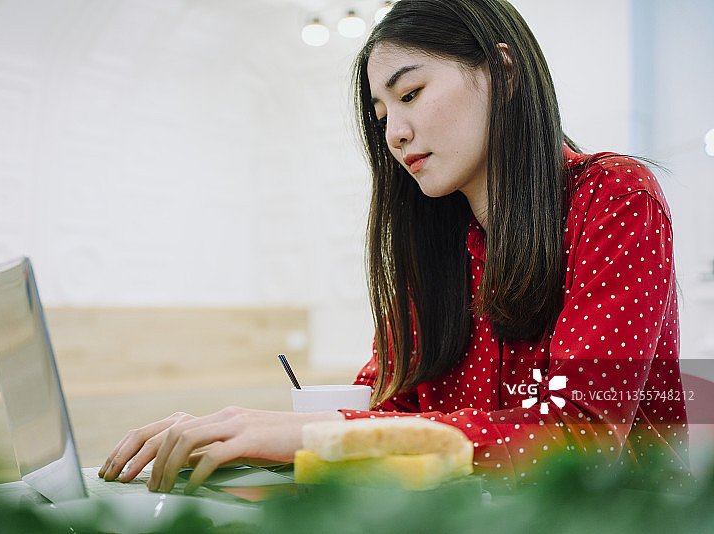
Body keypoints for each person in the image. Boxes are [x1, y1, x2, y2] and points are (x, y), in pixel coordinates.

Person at [99, 0, 691, 494]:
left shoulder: (613, 198)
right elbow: (394, 410)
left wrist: (310, 436)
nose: (394, 134)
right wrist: (243, 436)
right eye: (381, 114)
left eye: (409, 94)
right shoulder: (434, 239)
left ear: (504, 75)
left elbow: (579, 439)